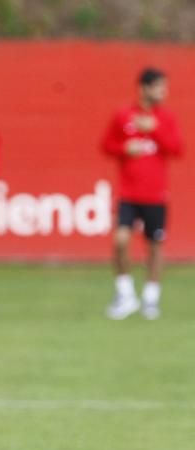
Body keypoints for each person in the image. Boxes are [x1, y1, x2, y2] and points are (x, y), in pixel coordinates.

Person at [101, 67, 183, 320]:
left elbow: (177, 149)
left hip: (156, 196)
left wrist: (155, 129)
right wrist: (125, 147)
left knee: (155, 246)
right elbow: (106, 145)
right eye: (159, 87)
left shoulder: (165, 118)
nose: (163, 92)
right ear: (144, 88)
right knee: (120, 240)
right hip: (128, 193)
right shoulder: (124, 115)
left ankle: (150, 298)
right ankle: (125, 295)